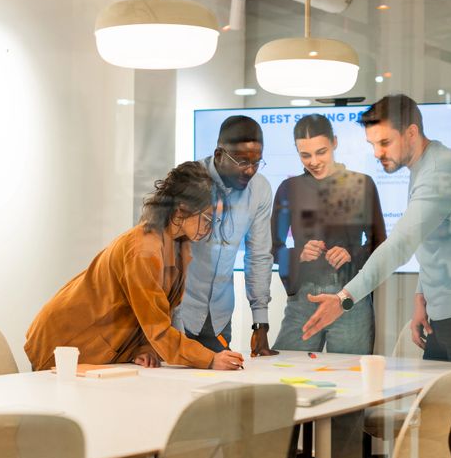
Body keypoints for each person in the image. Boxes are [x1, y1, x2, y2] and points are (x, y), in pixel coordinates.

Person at [302, 94, 451, 458]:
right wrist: (422, 299)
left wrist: (344, 298)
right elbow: (435, 242)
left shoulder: (442, 171)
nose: (378, 153)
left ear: (411, 132)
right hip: (450, 301)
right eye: (372, 145)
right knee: (438, 415)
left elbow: (400, 243)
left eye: (384, 143)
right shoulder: (425, 164)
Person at [24, 161, 245, 373]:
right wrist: (209, 359)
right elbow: (157, 327)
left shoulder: (179, 244)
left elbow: (155, 313)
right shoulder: (144, 251)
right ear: (181, 210)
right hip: (65, 341)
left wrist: (144, 347)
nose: (210, 228)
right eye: (207, 218)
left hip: (99, 346)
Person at [272, 114, 386, 355]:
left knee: (351, 378)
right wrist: (299, 254)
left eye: (321, 152)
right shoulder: (289, 189)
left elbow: (380, 243)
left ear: (334, 142)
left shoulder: (361, 184)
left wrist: (351, 253)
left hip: (350, 295)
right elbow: (273, 247)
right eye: (305, 155)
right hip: (304, 298)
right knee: (288, 372)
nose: (314, 161)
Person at [175, 115, 276, 357]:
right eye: (242, 162)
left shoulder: (260, 189)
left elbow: (259, 256)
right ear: (219, 154)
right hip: (179, 313)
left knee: (222, 388)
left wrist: (260, 322)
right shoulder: (187, 181)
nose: (250, 170)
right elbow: (166, 254)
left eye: (257, 162)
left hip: (219, 317)